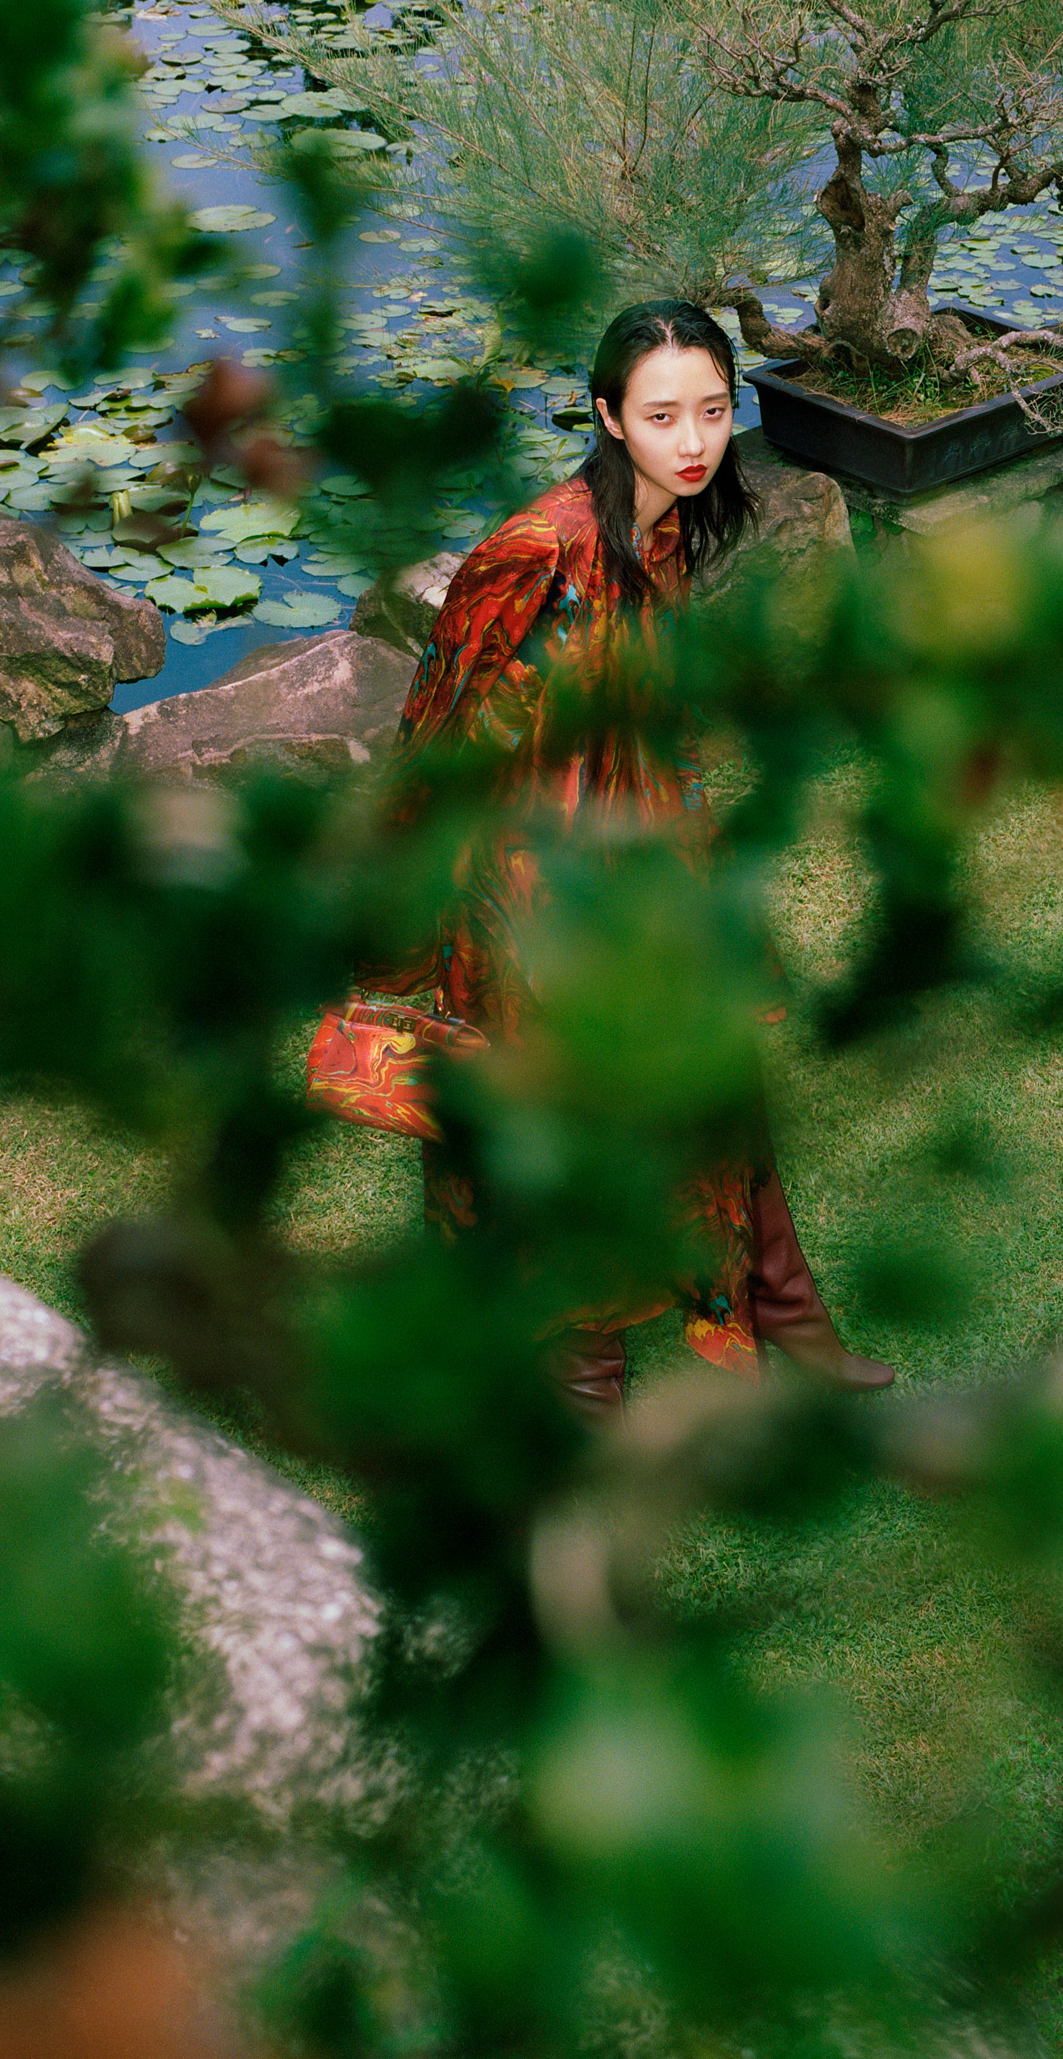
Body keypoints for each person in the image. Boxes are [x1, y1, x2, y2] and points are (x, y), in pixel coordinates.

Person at [374, 299, 893, 1417]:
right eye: (663, 416)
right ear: (608, 417)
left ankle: (790, 1322)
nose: (695, 441)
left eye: (713, 410)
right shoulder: (534, 549)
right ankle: (585, 1398)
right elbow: (436, 730)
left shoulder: (659, 533)